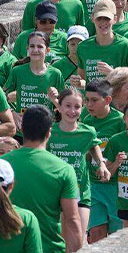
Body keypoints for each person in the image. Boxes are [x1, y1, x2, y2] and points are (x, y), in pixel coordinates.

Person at [0, 105, 84, 253]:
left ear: (21, 129)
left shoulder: (0, 163)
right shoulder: (64, 170)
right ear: (49, 133)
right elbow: (72, 220)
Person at [45, 87, 107, 240]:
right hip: (55, 192)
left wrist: (101, 164)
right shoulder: (50, 133)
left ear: (82, 107)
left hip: (81, 193)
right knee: (61, 241)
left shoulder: (88, 132)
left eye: (77, 107)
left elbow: (94, 145)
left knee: (78, 240)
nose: (72, 111)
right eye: (68, 106)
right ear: (59, 107)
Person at [83, 79, 126, 242]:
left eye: (94, 100)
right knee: (96, 234)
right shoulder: (86, 121)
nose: (89, 104)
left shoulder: (121, 121)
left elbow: (127, 153)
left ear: (108, 100)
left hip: (116, 187)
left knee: (117, 239)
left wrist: (112, 166)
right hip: (94, 186)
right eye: (87, 100)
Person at [5, 30, 66, 114]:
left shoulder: (55, 74)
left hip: (46, 124)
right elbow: (2, 97)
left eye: (40, 47)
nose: (35, 50)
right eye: (32, 46)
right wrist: (12, 113)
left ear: (47, 50)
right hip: (22, 124)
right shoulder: (17, 71)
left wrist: (55, 99)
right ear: (27, 48)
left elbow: (66, 106)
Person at [11, 0, 70, 65]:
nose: (48, 25)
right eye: (43, 21)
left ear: (56, 21)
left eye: (52, 22)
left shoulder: (66, 39)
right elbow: (13, 63)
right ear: (36, 20)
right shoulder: (23, 37)